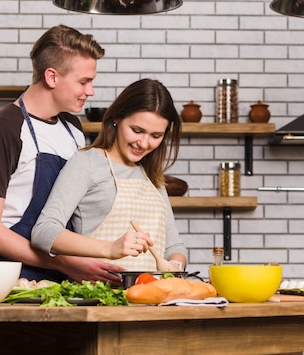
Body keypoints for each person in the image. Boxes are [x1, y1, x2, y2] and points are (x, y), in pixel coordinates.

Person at [0, 24, 121, 284]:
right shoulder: (3, 129)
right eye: (84, 81)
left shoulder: (72, 128)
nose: (91, 91)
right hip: (11, 279)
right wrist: (65, 263)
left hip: (65, 278)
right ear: (52, 77)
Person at [31, 78, 187, 272]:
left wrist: (175, 265)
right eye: (137, 131)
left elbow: (174, 247)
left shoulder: (152, 176)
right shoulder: (87, 162)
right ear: (117, 118)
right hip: (101, 295)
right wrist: (110, 248)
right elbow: (44, 231)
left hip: (151, 296)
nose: (144, 143)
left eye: (156, 136)